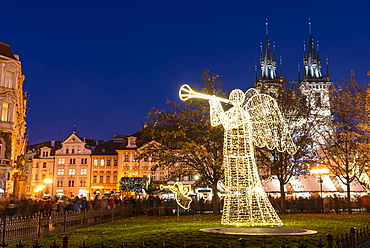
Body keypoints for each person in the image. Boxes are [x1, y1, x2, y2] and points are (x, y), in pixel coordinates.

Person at [207, 88, 295, 226]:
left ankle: (248, 215)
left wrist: (216, 105)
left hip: (241, 154)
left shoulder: (242, 113)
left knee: (243, 181)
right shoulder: (234, 112)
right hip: (232, 153)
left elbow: (225, 122)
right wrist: (213, 104)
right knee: (232, 182)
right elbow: (216, 120)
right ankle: (231, 216)